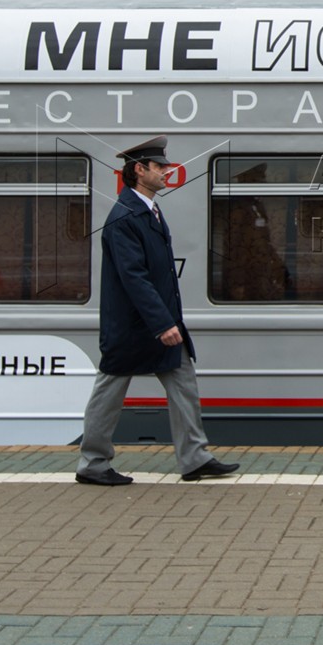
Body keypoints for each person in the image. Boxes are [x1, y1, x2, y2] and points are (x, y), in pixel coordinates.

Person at [76, 135, 238, 485]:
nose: (167, 171)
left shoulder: (148, 210)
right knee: (109, 392)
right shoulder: (124, 217)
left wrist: (167, 320)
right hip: (135, 327)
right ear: (139, 170)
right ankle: (93, 463)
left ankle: (195, 458)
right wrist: (162, 322)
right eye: (159, 166)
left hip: (159, 322)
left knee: (183, 383)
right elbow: (133, 278)